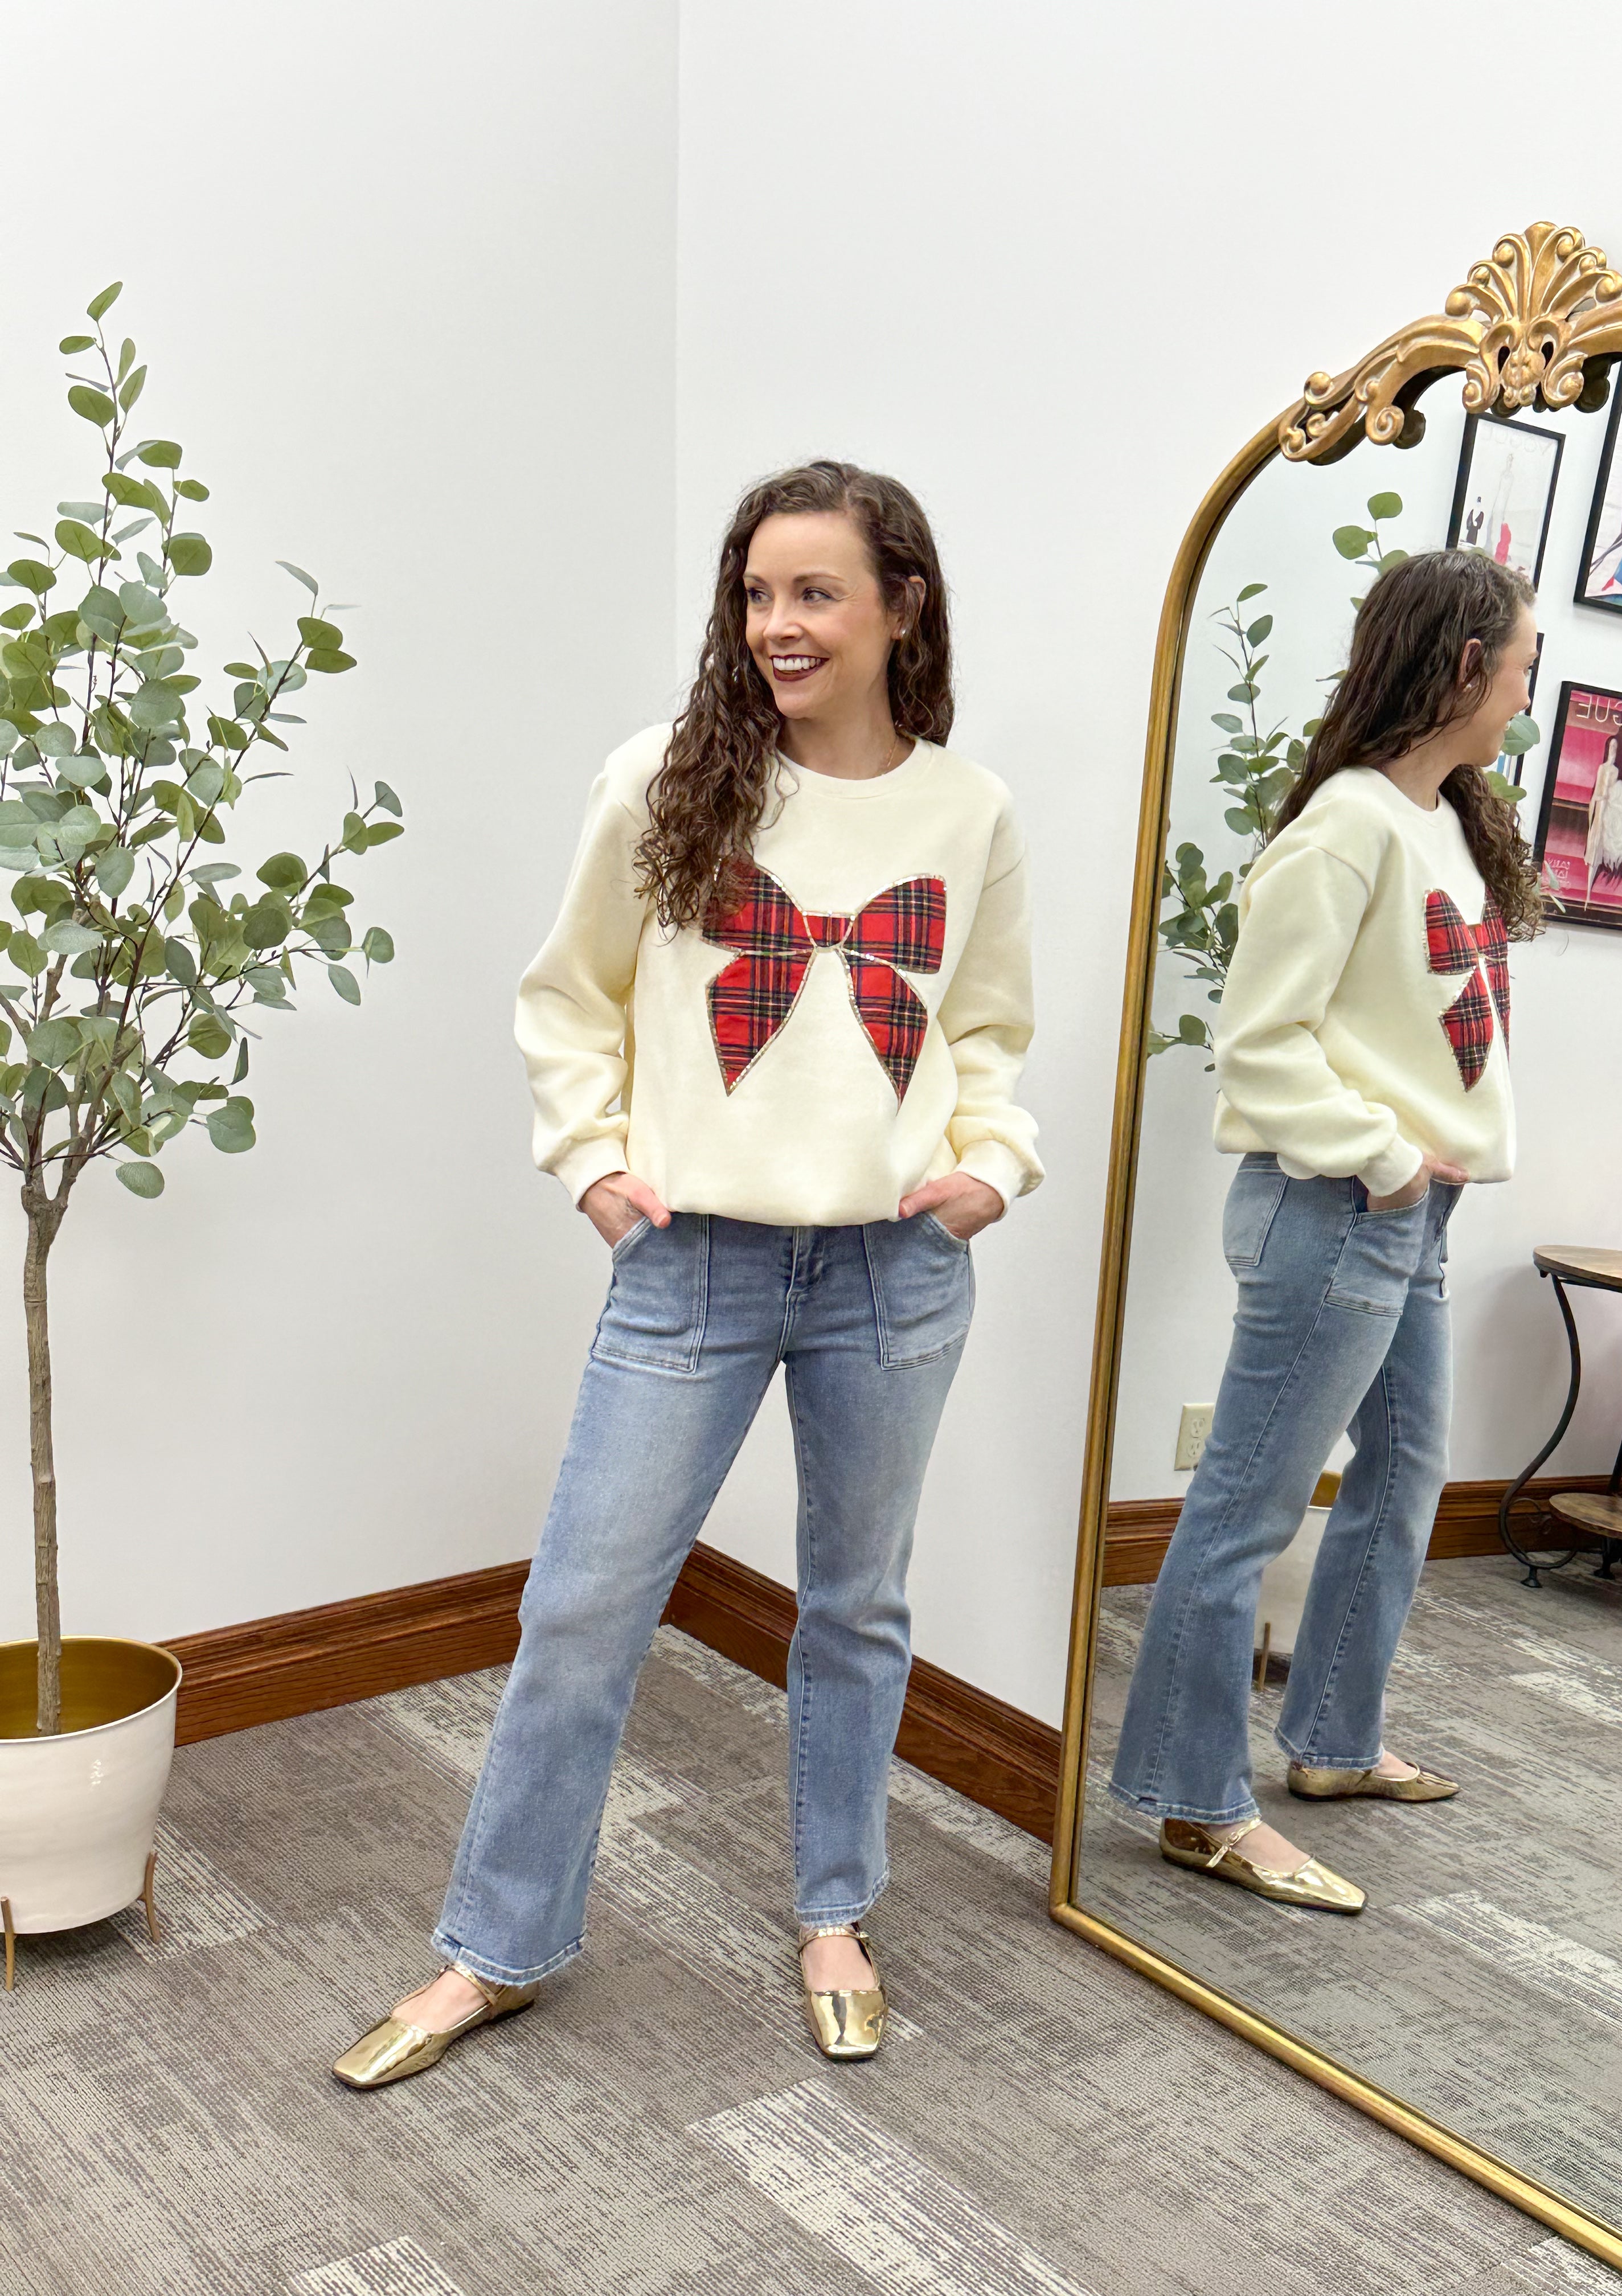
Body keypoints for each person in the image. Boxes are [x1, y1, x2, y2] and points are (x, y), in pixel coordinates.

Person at [333, 461, 1040, 2085]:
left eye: (815, 592)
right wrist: (591, 1164)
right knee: (583, 1605)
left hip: (894, 1273)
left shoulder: (970, 810)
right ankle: (492, 1947)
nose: (776, 625)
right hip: (693, 1265)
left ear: (900, 606)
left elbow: (991, 1029)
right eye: (756, 593)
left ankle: (836, 1911)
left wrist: (989, 1167)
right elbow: (565, 995)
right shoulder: (663, 779)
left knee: (857, 1608)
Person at [1109, 550, 1541, 1912]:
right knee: (1244, 1508)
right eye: (1521, 662)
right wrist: (1388, 1162)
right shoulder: (1348, 826)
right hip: (1344, 1209)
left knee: (1407, 1477)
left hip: (1412, 1212)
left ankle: (1334, 1745)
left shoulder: (1446, 827)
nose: (1529, 688)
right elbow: (1258, 1045)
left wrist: (1430, 1176)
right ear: (1464, 668)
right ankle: (1195, 1803)